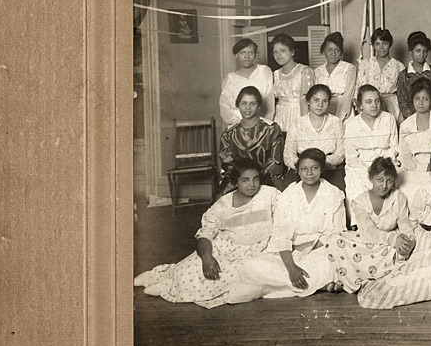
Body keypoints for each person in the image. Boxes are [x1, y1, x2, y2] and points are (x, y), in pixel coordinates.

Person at [134, 158, 279, 308]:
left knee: (225, 277)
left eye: (255, 179)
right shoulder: (223, 205)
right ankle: (159, 276)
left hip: (256, 251)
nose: (252, 185)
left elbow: (285, 221)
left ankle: (168, 288)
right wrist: (207, 258)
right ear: (236, 182)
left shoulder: (270, 195)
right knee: (190, 269)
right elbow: (205, 235)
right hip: (225, 248)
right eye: (245, 180)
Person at [357, 144, 431, 309]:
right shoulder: (426, 192)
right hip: (428, 237)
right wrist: (412, 241)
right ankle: (385, 293)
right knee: (416, 275)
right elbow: (413, 222)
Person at [228, 149, 346, 302]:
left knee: (328, 266)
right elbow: (280, 234)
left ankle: (271, 287)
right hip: (289, 252)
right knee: (249, 265)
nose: (309, 173)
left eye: (314, 168)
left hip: (320, 250)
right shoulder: (288, 195)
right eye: (304, 169)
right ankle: (314, 285)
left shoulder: (334, 194)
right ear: (297, 170)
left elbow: (337, 233)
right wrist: (291, 268)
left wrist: (309, 249)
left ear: (322, 169)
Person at [323, 157, 417, 294]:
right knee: (333, 239)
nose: (384, 185)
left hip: (388, 246)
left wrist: (410, 240)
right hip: (369, 241)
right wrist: (392, 239)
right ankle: (354, 279)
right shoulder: (359, 202)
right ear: (371, 178)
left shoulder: (398, 197)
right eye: (380, 180)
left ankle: (373, 276)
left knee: (399, 251)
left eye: (389, 181)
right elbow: (368, 231)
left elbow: (404, 223)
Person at [282, 84, 346, 191]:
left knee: (335, 191)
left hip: (329, 168)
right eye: (316, 100)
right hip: (302, 168)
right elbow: (288, 155)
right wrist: (305, 167)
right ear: (308, 101)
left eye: (324, 101)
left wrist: (322, 165)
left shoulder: (336, 122)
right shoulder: (297, 123)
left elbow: (341, 152)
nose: (320, 105)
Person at [218, 86, 285, 189]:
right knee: (221, 200)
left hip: (265, 179)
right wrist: (244, 179)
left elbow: (276, 162)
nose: (247, 108)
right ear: (238, 105)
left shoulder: (271, 129)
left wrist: (255, 178)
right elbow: (227, 164)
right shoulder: (229, 133)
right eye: (243, 103)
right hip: (238, 181)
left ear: (259, 106)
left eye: (252, 104)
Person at [343, 83, 399, 205]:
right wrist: (368, 169)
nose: (374, 105)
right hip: (360, 167)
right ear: (360, 105)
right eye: (368, 102)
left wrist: (382, 166)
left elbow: (394, 146)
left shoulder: (388, 118)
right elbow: (351, 156)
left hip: (385, 163)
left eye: (377, 101)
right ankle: (358, 223)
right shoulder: (352, 124)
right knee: (358, 188)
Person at [219, 37, 274, 126]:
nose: (246, 56)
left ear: (255, 55)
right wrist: (245, 124)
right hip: (237, 127)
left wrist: (263, 126)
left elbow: (269, 104)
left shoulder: (264, 71)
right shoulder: (229, 79)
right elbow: (225, 110)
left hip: (262, 127)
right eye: (242, 53)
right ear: (236, 55)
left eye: (250, 53)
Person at [356, 27, 406, 120]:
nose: (381, 47)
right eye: (377, 44)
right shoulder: (366, 64)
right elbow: (358, 87)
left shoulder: (399, 66)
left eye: (385, 43)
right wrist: (359, 108)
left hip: (392, 105)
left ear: (390, 44)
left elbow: (403, 93)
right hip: (370, 104)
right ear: (373, 45)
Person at [269, 33, 315, 133]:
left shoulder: (304, 71)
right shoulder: (274, 74)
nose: (278, 55)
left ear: (292, 52)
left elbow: (306, 101)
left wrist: (304, 125)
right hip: (279, 118)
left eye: (283, 50)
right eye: (275, 52)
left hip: (297, 114)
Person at [313, 32, 357, 123]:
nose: (333, 53)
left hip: (344, 108)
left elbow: (349, 93)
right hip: (323, 108)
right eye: (329, 49)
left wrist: (342, 115)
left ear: (341, 52)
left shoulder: (349, 68)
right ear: (323, 50)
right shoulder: (317, 71)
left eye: (337, 50)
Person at [396, 31, 431, 120]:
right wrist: (414, 120)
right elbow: (402, 102)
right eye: (418, 51)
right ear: (411, 52)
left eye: (425, 51)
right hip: (410, 120)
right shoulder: (403, 75)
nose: (422, 55)